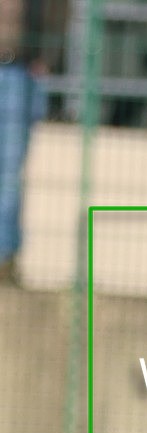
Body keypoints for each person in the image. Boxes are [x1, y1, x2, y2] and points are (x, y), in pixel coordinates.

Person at [0, 0, 63, 283]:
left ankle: (4, 257)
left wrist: (47, 56)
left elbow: (59, 11)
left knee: (10, 174)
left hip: (20, 69)